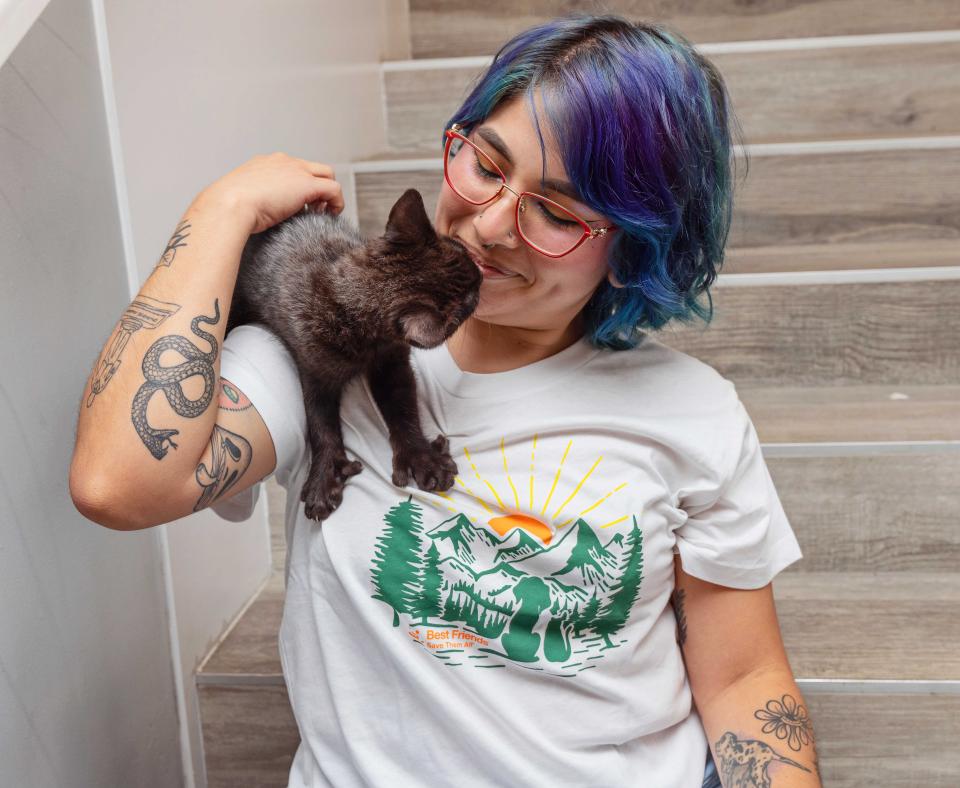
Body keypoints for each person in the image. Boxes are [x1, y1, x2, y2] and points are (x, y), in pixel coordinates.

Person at [70, 14, 822, 788]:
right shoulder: (323, 354)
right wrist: (219, 212)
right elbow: (114, 483)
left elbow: (743, 683)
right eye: (485, 165)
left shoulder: (694, 414)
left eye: (557, 213)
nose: (491, 226)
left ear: (636, 250)